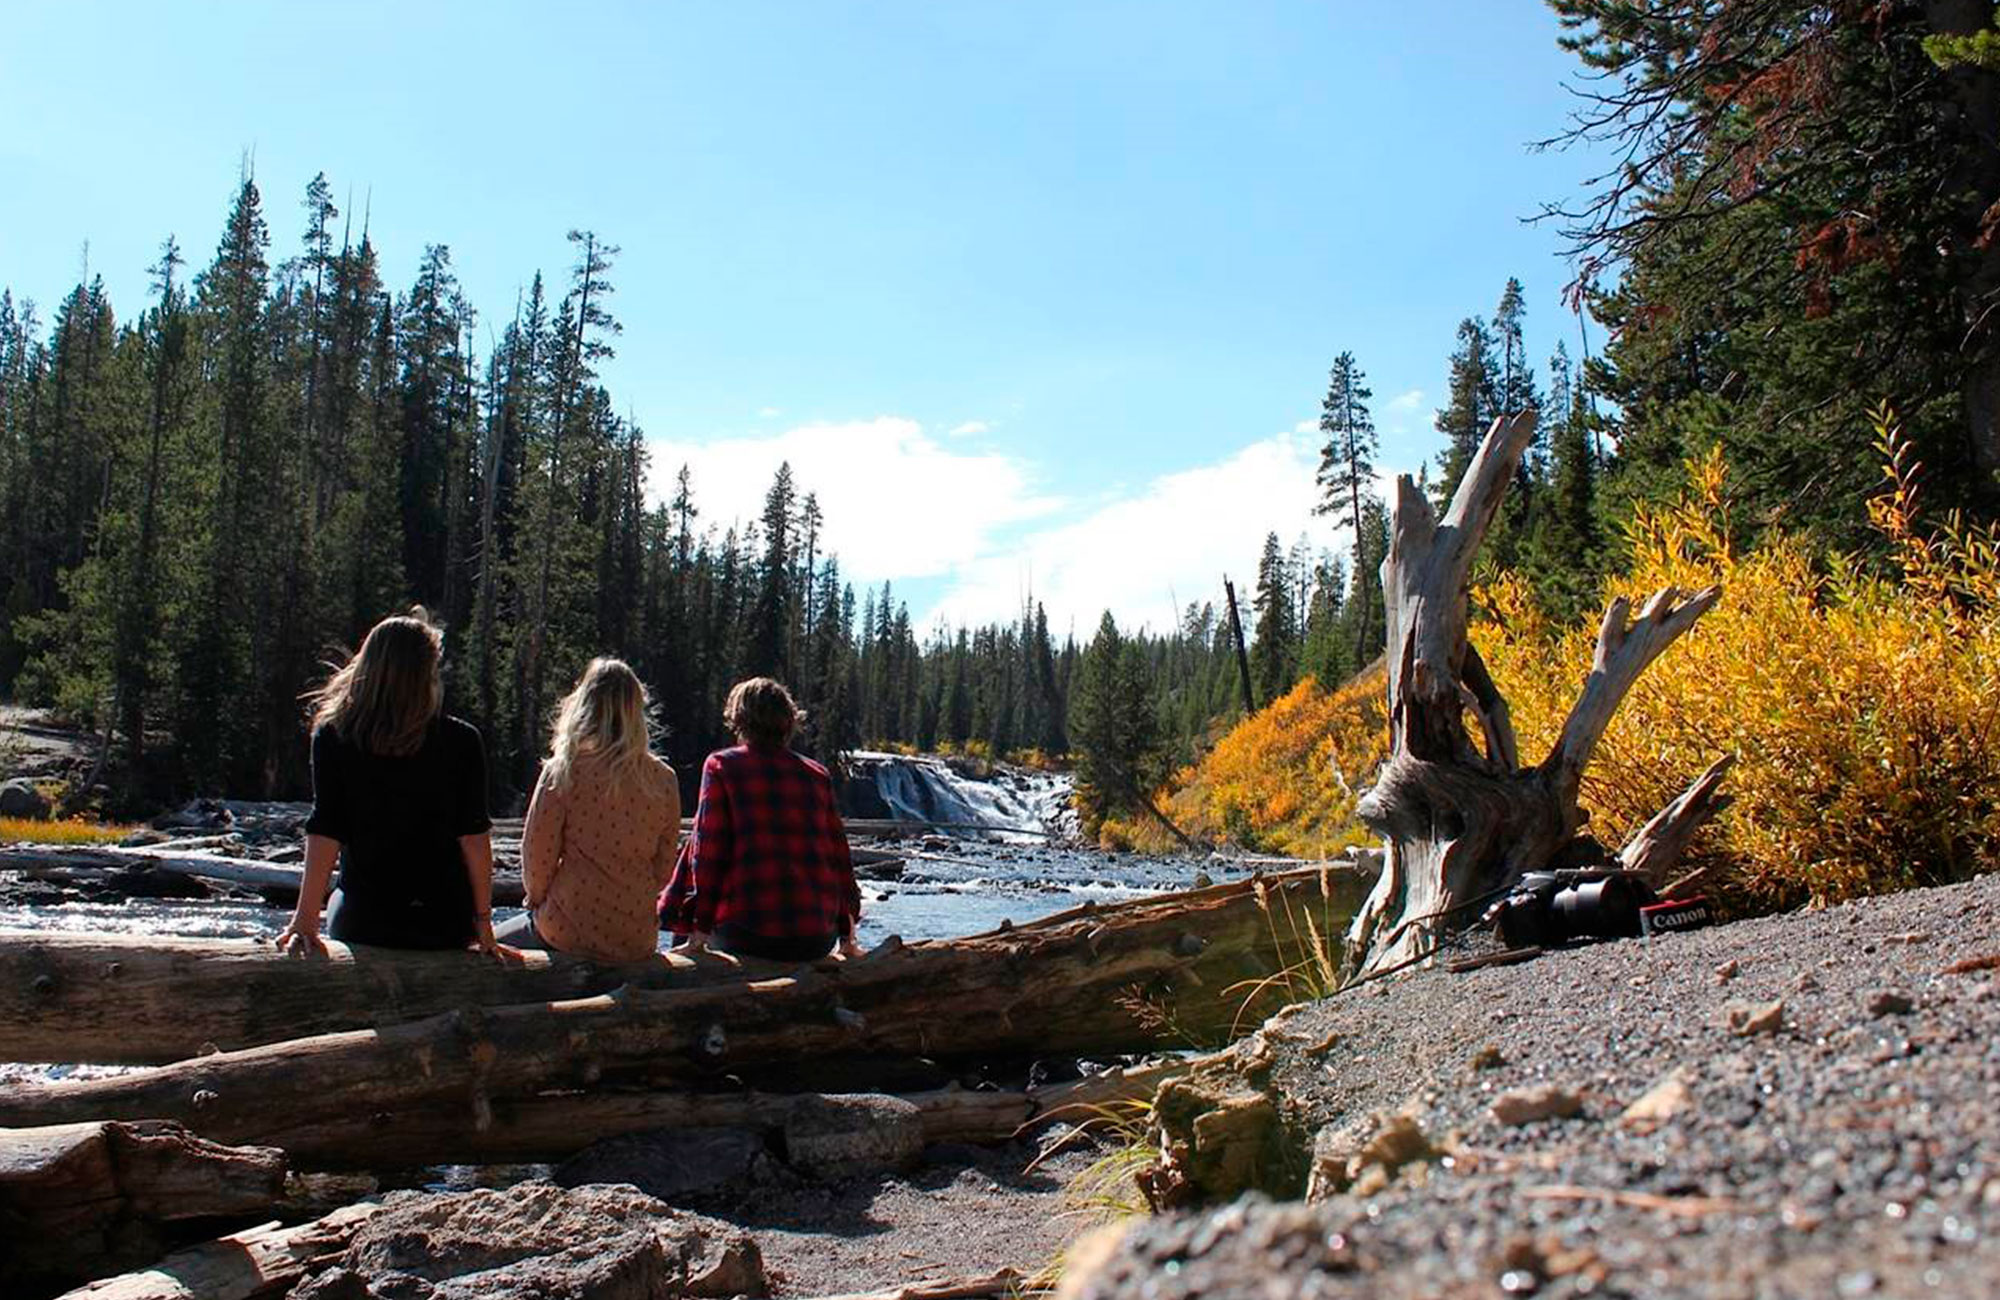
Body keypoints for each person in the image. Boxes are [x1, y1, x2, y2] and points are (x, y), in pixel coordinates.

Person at [277, 610, 503, 955]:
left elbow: (326, 828)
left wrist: (305, 919)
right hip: (444, 924)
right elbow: (474, 837)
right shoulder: (462, 740)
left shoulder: (335, 735)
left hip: (367, 920)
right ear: (425, 673)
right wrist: (483, 924)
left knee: (342, 896)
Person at [659, 677, 863, 962]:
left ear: (739, 718)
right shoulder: (816, 774)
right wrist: (846, 935)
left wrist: (699, 930)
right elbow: (838, 858)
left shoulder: (722, 766)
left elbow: (709, 854)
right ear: (789, 721)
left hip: (748, 934)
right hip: (817, 936)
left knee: (694, 852)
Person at [497, 658, 680, 962]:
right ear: (636, 712)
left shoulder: (565, 769)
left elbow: (536, 859)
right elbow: (663, 870)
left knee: (481, 948)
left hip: (567, 929)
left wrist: (540, 902)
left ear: (583, 705)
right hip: (636, 937)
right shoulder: (664, 779)